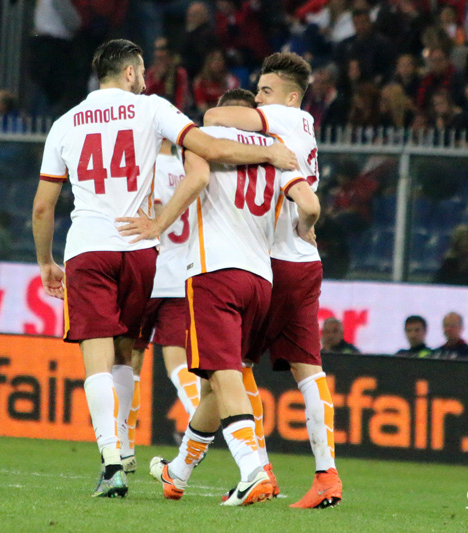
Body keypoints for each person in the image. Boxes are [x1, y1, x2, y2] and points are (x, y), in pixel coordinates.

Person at [32, 39, 296, 499]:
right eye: (143, 72)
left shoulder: (64, 123)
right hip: (140, 250)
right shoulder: (151, 109)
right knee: (126, 350)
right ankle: (131, 449)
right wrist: (269, 154)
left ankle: (113, 458)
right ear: (131, 73)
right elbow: (209, 147)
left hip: (88, 247)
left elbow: (42, 208)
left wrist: (46, 263)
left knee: (99, 356)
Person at [118, 124, 318, 506]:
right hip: (261, 278)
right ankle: (178, 472)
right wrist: (304, 229)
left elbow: (199, 174)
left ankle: (253, 469)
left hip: (209, 272)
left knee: (211, 374)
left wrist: (158, 225)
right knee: (212, 381)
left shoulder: (201, 149)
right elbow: (309, 205)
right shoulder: (278, 151)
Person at [203, 52, 343, 508]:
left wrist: (304, 222)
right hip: (308, 264)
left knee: (235, 366)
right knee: (310, 371)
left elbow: (213, 114)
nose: (257, 97)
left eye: (264, 89)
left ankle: (257, 472)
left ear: (289, 95)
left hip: (276, 261)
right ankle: (327, 476)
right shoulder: (304, 125)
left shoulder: (275, 117)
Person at [121, 139, 202, 472]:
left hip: (147, 271)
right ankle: (200, 434)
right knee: (178, 364)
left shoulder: (144, 167)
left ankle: (125, 450)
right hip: (181, 276)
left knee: (130, 359)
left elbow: (142, 213)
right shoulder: (191, 169)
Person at [144, 37, 190, 112]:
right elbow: (146, 97)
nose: (158, 54)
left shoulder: (179, 72)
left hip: (174, 115)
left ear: (169, 52)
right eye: (156, 49)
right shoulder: (150, 72)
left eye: (162, 49)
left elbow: (181, 100)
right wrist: (157, 80)